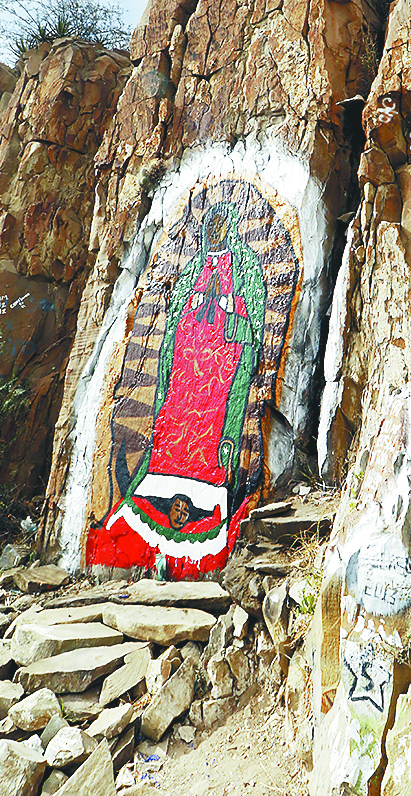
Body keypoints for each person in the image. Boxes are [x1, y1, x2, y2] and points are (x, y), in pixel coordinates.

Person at [103, 201, 267, 574]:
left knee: (209, 427)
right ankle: (159, 479)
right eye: (212, 226)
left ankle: (209, 484)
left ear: (232, 228)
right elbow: (176, 315)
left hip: (222, 368)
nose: (217, 232)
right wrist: (189, 310)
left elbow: (253, 330)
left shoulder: (246, 269)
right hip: (186, 369)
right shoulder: (194, 267)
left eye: (223, 226)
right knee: (174, 420)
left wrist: (232, 309)